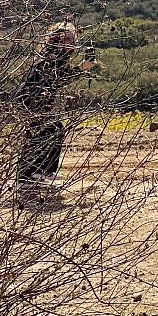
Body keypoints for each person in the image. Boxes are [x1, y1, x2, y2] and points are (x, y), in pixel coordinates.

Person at [15, 22, 97, 191]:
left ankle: (34, 174)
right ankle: (34, 174)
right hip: (33, 99)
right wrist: (81, 68)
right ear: (56, 38)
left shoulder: (56, 54)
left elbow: (57, 78)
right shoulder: (53, 55)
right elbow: (57, 78)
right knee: (48, 130)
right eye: (66, 38)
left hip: (36, 99)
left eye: (72, 39)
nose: (70, 42)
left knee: (48, 131)